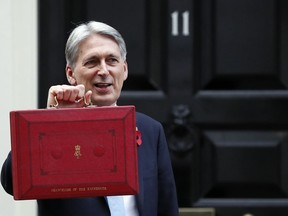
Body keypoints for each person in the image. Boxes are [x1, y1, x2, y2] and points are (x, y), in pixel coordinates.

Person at [1, 21, 179, 216]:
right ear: (71, 74)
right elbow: (12, 181)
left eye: (112, 60)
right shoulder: (53, 131)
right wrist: (53, 121)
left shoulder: (150, 130)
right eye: (92, 62)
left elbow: (166, 206)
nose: (103, 71)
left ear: (125, 69)